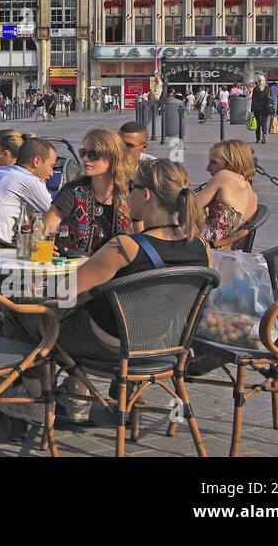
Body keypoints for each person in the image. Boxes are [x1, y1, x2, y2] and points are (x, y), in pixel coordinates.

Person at [48, 159, 211, 422]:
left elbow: (64, 293)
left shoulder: (125, 247)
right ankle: (75, 393)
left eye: (131, 187)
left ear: (146, 195)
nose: (126, 193)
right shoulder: (202, 247)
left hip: (110, 346)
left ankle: (40, 399)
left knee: (30, 317)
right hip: (163, 344)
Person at [43, 129, 136, 255]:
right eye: (83, 153)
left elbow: (142, 237)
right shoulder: (73, 190)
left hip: (119, 268)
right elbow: (44, 231)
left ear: (113, 157)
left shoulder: (131, 192)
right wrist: (46, 245)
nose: (85, 158)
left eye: (93, 154)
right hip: (77, 267)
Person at [0, 137, 57, 244]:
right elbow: (57, 215)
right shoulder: (30, 181)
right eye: (51, 166)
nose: (52, 173)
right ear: (36, 161)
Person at [194, 140, 259, 247]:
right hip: (227, 250)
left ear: (232, 162)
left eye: (214, 162)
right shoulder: (253, 194)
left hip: (207, 247)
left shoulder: (224, 176)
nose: (208, 168)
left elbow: (189, 207)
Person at [250, 76, 272, 145]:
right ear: (264, 81)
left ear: (258, 81)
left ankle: (258, 138)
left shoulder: (256, 89)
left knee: (257, 124)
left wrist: (252, 110)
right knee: (264, 123)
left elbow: (253, 100)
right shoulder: (267, 89)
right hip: (265, 108)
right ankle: (264, 134)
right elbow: (269, 99)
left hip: (257, 108)